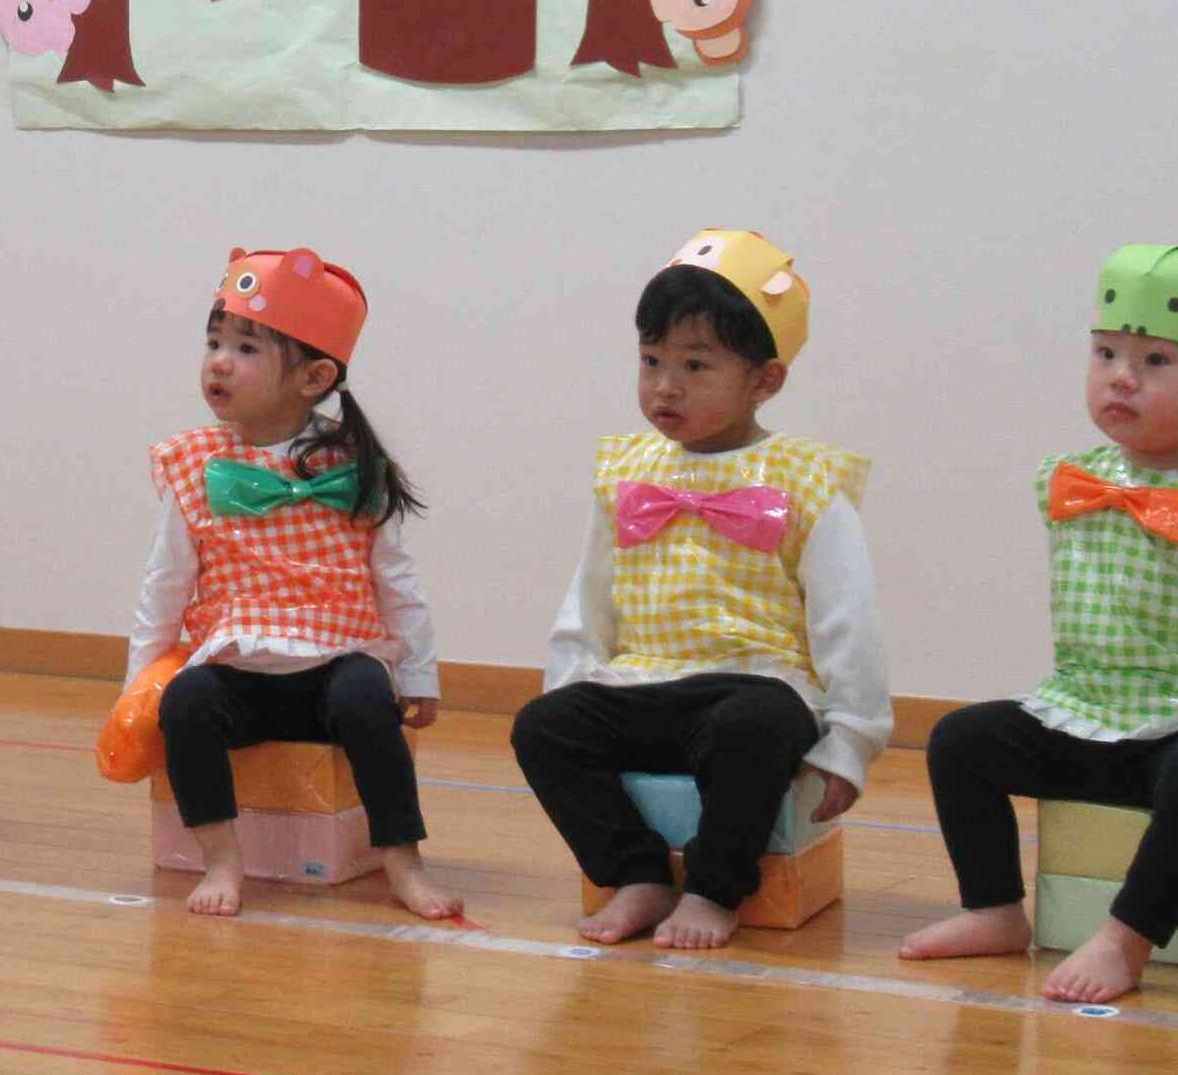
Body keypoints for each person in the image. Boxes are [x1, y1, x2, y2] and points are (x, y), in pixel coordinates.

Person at [898, 244, 1178, 1003]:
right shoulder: (1076, 483)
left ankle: (1124, 939)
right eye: (1104, 353)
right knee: (963, 738)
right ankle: (992, 907)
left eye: (1156, 359)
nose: (1120, 376)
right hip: (1089, 717)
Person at [512, 230, 889, 950]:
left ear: (763, 380)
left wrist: (850, 741)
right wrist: (566, 685)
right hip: (643, 682)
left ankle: (717, 887)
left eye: (694, 364)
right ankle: (637, 872)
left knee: (745, 731)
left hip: (755, 684)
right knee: (540, 727)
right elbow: (590, 595)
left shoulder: (806, 480)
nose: (664, 385)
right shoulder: (627, 471)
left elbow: (849, 619)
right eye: (650, 360)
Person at [126, 246, 457, 921]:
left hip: (334, 661)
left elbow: (395, 577)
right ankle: (221, 855)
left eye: (245, 347)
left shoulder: (351, 463)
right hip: (238, 666)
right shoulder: (194, 464)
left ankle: (402, 858)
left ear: (313, 377)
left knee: (366, 698)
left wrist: (418, 674)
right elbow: (163, 583)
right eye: (214, 341)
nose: (218, 360)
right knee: (186, 702)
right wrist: (140, 685)